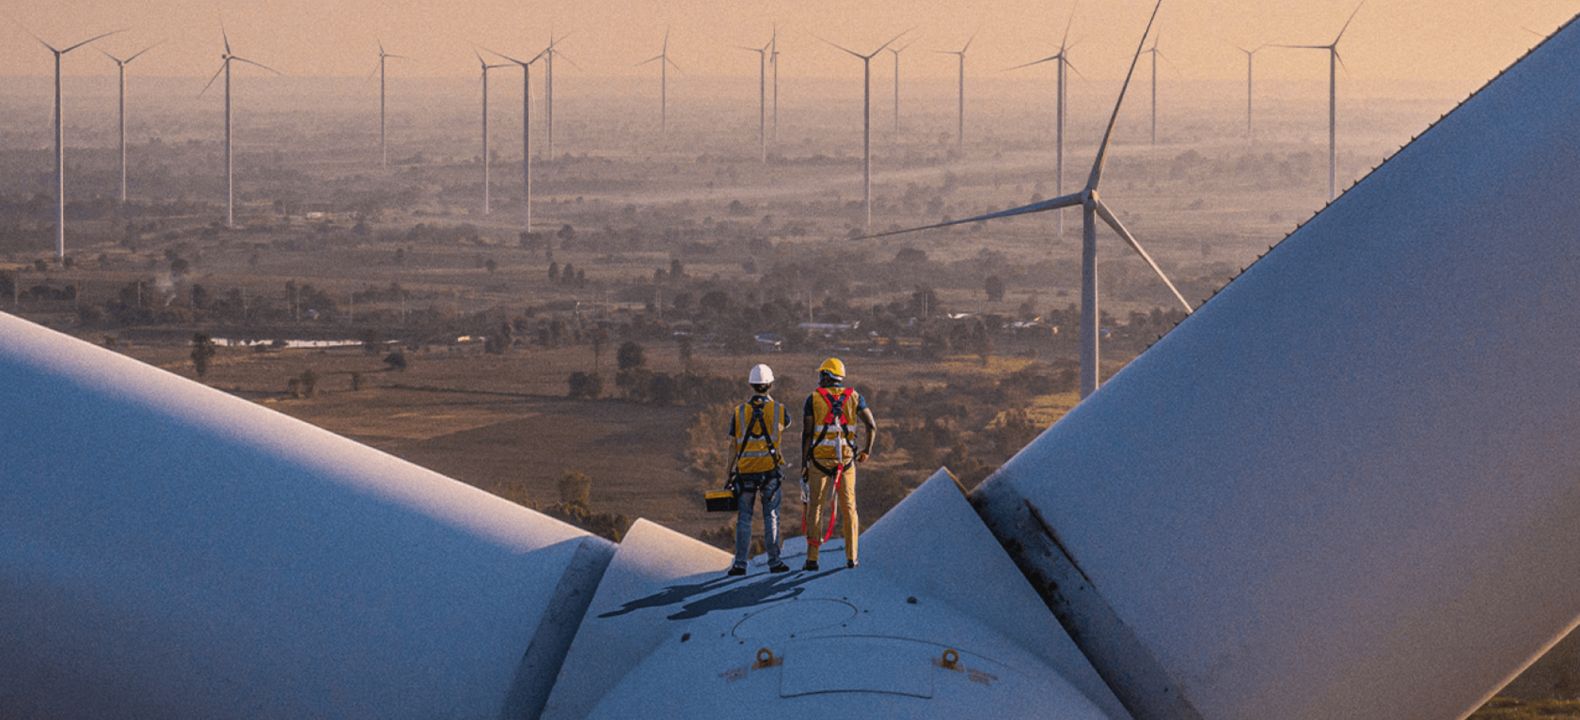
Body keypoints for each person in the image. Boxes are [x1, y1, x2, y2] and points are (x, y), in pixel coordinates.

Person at [800, 357, 877, 571]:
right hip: (846, 462)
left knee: (815, 508)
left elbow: (807, 433)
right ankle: (852, 557)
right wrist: (866, 451)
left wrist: (804, 463)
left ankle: (812, 559)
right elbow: (871, 425)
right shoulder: (855, 397)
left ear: (827, 376)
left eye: (821, 375)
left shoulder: (813, 399)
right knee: (849, 509)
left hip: (819, 462)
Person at [725, 363, 792, 576]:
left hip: (745, 472)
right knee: (771, 516)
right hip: (770, 472)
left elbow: (733, 445)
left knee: (744, 518)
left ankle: (740, 564)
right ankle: (774, 562)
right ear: (770, 384)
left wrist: (729, 472)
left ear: (751, 384)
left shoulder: (739, 412)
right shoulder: (779, 410)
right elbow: (785, 424)